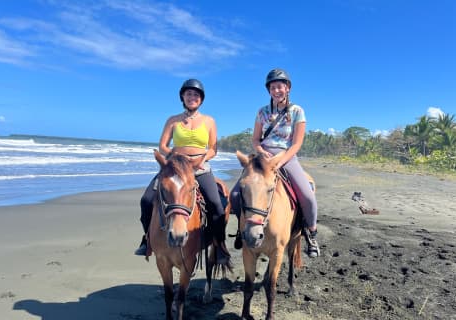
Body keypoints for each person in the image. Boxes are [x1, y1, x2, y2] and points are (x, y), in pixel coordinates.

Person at [135, 79, 230, 263]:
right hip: (175, 168)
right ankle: (147, 240)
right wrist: (175, 158)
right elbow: (162, 145)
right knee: (146, 200)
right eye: (188, 94)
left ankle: (220, 246)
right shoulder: (173, 120)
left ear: (201, 99)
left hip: (200, 168)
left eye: (196, 95)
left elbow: (213, 149)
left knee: (217, 206)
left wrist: (202, 159)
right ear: (182, 97)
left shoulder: (209, 121)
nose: (192, 97)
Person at [230, 68, 320, 258]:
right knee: (236, 194)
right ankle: (242, 229)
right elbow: (255, 140)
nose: (276, 90)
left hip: (286, 157)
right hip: (262, 157)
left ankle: (310, 233)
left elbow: (297, 143)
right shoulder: (262, 112)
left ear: (288, 88)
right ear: (268, 90)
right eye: (272, 87)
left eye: (280, 86)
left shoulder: (297, 111)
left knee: (308, 196)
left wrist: (280, 162)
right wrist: (261, 152)